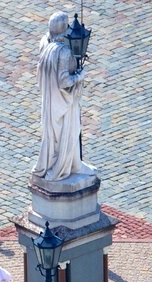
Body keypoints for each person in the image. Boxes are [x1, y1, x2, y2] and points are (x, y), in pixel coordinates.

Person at [32, 12, 96, 182]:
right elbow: (64, 81)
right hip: (64, 102)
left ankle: (66, 163)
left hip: (50, 100)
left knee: (53, 135)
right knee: (70, 132)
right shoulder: (64, 52)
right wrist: (80, 75)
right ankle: (67, 165)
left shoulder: (45, 44)